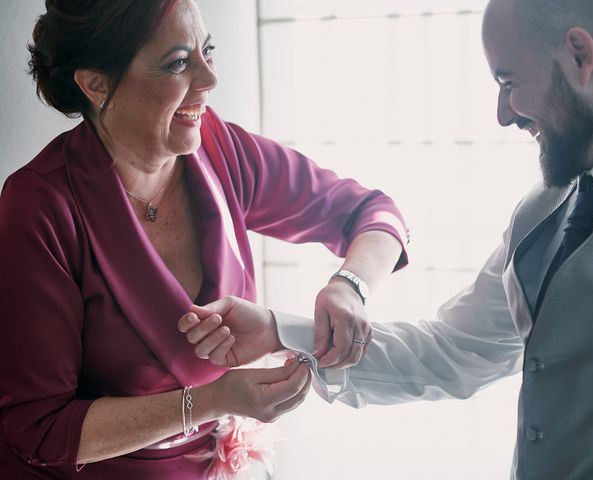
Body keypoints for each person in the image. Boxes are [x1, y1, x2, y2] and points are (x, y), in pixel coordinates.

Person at [179, 0, 593, 478]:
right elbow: (454, 351)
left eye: (508, 83)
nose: (503, 115)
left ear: (580, 56)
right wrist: (279, 332)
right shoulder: (542, 210)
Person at [0, 0, 409, 478]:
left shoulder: (224, 151)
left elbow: (374, 214)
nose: (210, 79)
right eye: (178, 62)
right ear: (95, 83)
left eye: (207, 50)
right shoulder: (39, 208)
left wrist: (349, 285)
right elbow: (41, 429)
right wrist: (211, 401)